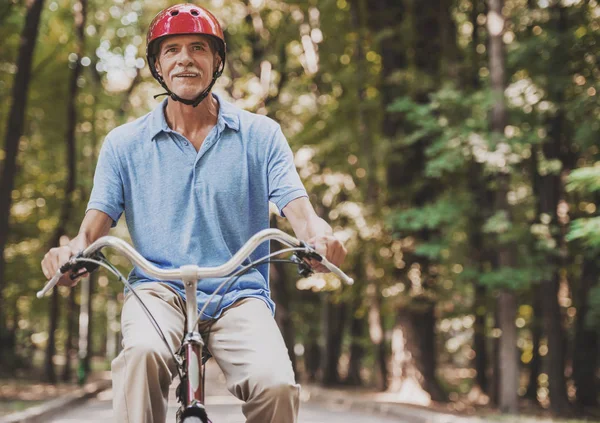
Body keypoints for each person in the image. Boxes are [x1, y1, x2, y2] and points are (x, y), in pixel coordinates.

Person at [41, 4, 346, 423]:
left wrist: (319, 237)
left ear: (217, 61)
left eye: (198, 47)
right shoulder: (123, 144)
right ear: (158, 66)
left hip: (238, 292)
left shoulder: (261, 135)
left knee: (275, 384)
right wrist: (69, 254)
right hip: (156, 289)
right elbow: (90, 231)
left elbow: (303, 214)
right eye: (171, 50)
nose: (185, 58)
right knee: (141, 356)